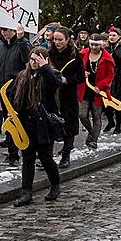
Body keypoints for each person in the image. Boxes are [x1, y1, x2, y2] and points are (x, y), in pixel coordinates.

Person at [10, 46, 62, 207]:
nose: (34, 63)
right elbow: (14, 96)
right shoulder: (22, 76)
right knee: (28, 158)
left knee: (46, 158)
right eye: (32, 59)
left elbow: (54, 85)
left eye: (38, 60)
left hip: (44, 124)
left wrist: (44, 67)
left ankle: (55, 185)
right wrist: (12, 114)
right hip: (26, 124)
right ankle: (26, 192)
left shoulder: (51, 74)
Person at [0, 25, 30, 167]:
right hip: (3, 91)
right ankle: (13, 153)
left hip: (18, 90)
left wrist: (21, 39)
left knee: (18, 121)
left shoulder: (23, 43)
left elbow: (26, 58)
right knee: (8, 121)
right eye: (1, 30)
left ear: (13, 30)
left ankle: (19, 153)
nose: (4, 32)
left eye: (6, 29)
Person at [48, 27, 84, 169]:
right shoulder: (49, 54)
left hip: (68, 94)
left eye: (60, 40)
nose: (57, 42)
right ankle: (47, 157)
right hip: (51, 94)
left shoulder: (75, 55)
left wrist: (66, 80)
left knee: (69, 125)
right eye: (54, 39)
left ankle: (66, 156)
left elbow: (81, 77)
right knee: (50, 123)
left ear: (67, 40)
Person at [77, 33, 114, 148]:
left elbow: (110, 75)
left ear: (100, 45)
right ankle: (91, 132)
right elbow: (75, 69)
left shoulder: (107, 57)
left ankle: (94, 141)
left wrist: (101, 86)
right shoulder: (82, 54)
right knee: (82, 115)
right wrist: (82, 73)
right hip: (84, 88)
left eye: (96, 45)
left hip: (98, 91)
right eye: (92, 45)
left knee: (96, 115)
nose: (93, 47)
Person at [104, 27, 121, 132]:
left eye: (114, 35)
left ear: (119, 37)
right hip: (106, 78)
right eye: (110, 35)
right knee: (106, 103)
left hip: (117, 78)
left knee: (117, 102)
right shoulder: (105, 48)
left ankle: (118, 126)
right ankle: (111, 121)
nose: (111, 37)